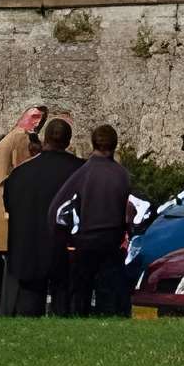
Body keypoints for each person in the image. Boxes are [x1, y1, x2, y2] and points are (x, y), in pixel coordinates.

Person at [51, 123, 136, 317]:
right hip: (112, 241)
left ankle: (80, 318)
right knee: (109, 294)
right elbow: (133, 210)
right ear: (115, 145)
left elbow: (58, 209)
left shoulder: (83, 173)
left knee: (82, 292)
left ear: (93, 144)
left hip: (86, 241)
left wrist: (62, 236)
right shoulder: (122, 175)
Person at [0, 117, 78, 319]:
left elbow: (10, 205)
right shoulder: (80, 171)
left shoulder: (20, 174)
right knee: (65, 307)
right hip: (65, 248)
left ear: (44, 139)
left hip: (29, 246)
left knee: (29, 308)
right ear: (68, 142)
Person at [0, 103, 43, 314]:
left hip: (3, 211)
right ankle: (11, 309)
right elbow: (24, 174)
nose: (37, 122)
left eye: (40, 119)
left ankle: (5, 308)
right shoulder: (20, 139)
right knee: (16, 273)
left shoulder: (8, 139)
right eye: (34, 117)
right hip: (12, 215)